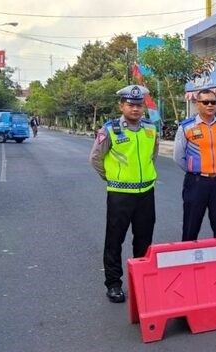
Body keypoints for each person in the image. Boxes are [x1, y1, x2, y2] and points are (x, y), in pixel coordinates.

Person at [89, 85, 159, 303]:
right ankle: (114, 284)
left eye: (139, 105)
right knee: (114, 240)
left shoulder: (150, 128)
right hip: (120, 195)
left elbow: (152, 156)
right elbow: (95, 159)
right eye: (130, 105)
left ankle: (142, 280)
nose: (135, 109)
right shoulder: (110, 130)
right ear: (121, 106)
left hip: (146, 193)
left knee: (144, 240)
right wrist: (112, 178)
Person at [173, 89, 216, 241]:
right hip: (196, 183)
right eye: (205, 102)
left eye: (213, 102)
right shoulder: (186, 127)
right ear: (197, 104)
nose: (210, 105)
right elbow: (178, 156)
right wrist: (195, 171)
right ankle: (187, 260)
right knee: (191, 227)